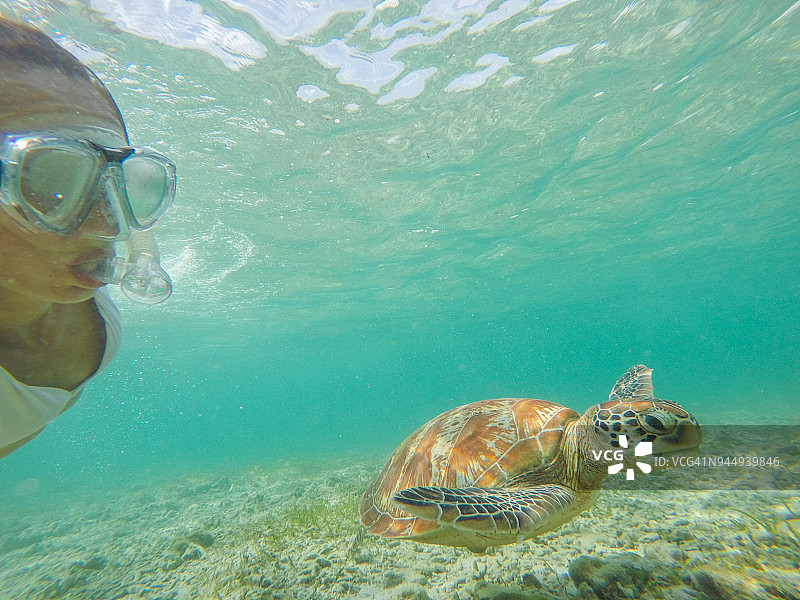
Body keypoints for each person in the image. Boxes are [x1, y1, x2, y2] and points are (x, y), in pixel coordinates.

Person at [0, 17, 176, 458]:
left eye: (123, 185)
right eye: (52, 182)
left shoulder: (67, 282)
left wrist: (146, 258)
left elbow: (139, 231)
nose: (109, 226)